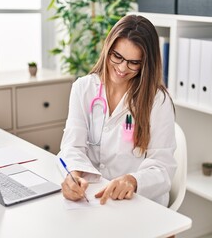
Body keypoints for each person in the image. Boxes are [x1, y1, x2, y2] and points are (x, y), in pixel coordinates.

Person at [57, 14, 177, 207]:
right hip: (93, 196)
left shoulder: (158, 101)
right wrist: (73, 175)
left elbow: (163, 167)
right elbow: (73, 146)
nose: (122, 68)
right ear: (108, 49)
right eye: (117, 56)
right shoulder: (83, 88)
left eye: (134, 62)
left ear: (146, 63)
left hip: (139, 202)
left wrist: (133, 180)